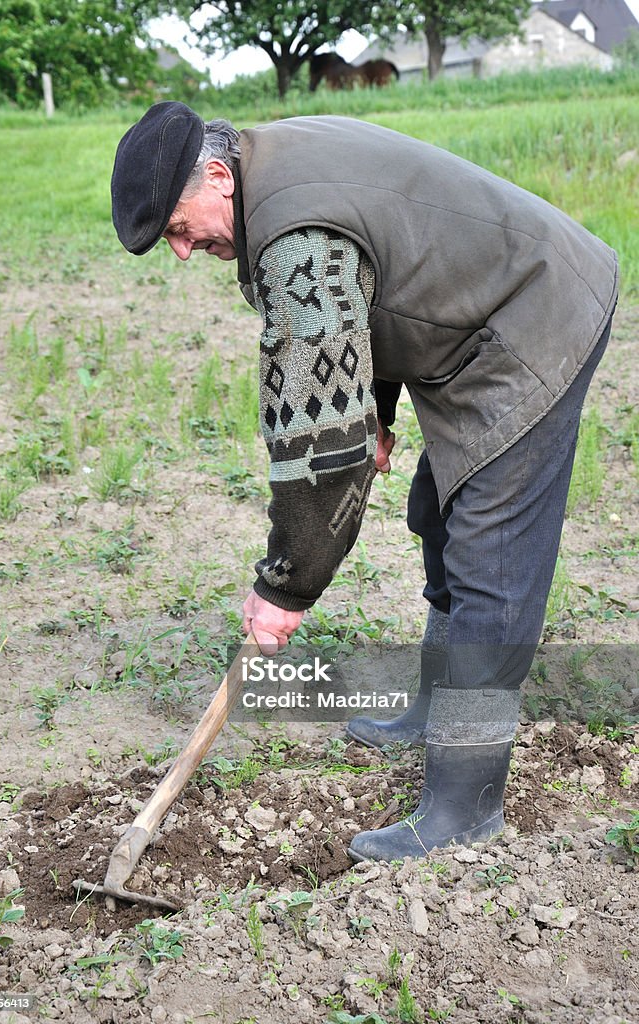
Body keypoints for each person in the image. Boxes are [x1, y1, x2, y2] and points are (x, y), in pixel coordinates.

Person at [111, 102, 618, 863]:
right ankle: (427, 711)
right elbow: (368, 284)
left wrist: (286, 586)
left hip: (535, 312)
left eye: (181, 230)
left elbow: (322, 459)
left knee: (491, 555)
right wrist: (372, 408)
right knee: (440, 514)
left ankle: (465, 805)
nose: (184, 252)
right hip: (473, 316)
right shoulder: (267, 161)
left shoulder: (290, 243)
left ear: (217, 176)